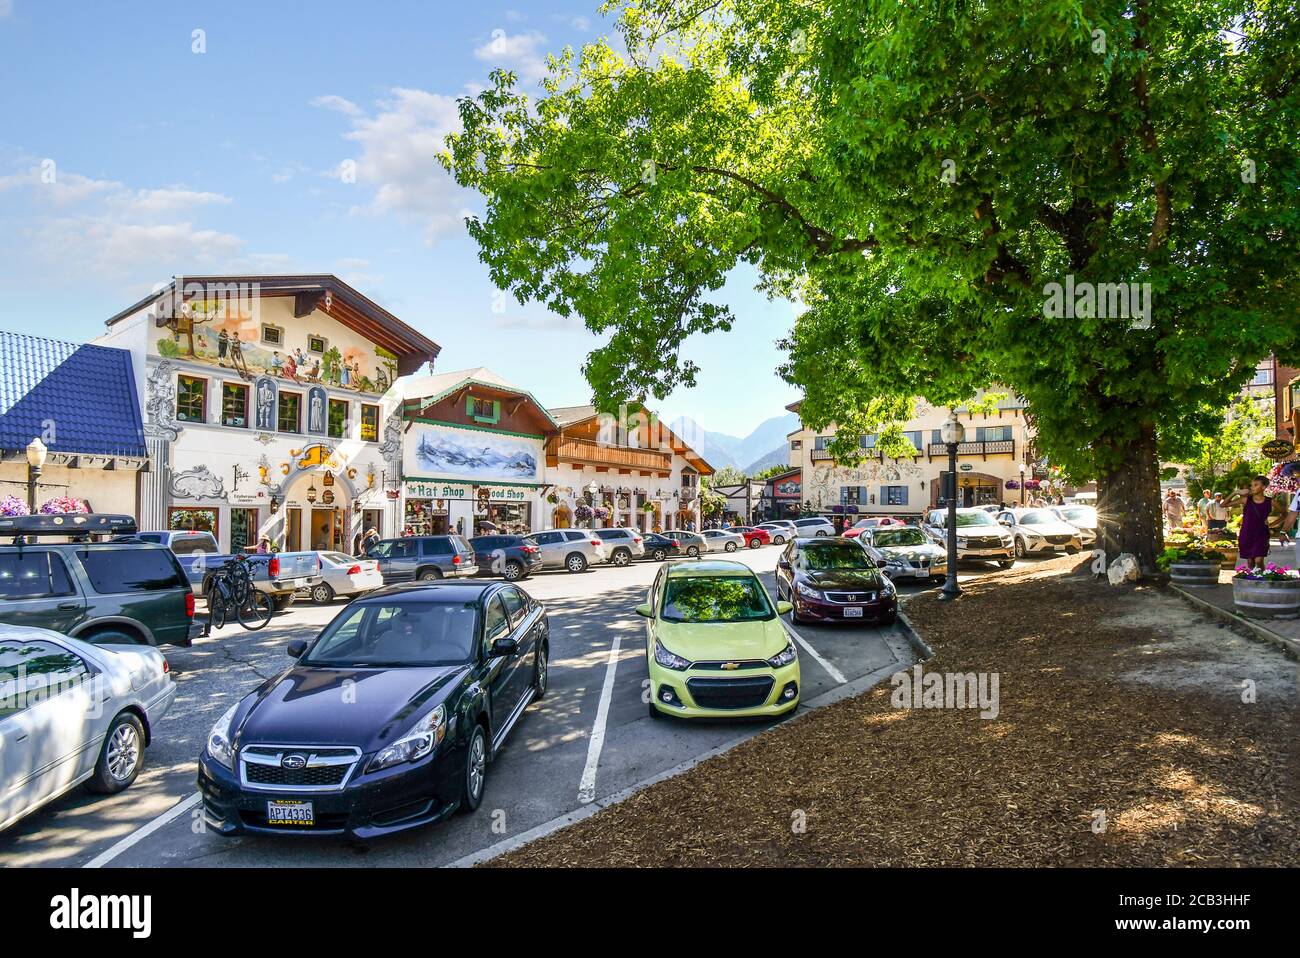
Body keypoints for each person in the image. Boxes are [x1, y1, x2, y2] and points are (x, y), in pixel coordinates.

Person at [1236, 476, 1274, 570]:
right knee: (1250, 561)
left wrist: (1272, 524)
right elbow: (1223, 505)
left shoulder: (1270, 501)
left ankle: (1263, 577)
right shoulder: (1246, 500)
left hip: (1261, 533)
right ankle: (1254, 580)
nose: (1252, 487)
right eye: (1251, 485)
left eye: (1256, 485)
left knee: (1259, 560)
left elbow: (1285, 513)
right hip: (1247, 533)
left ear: (1264, 487)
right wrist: (1235, 492)